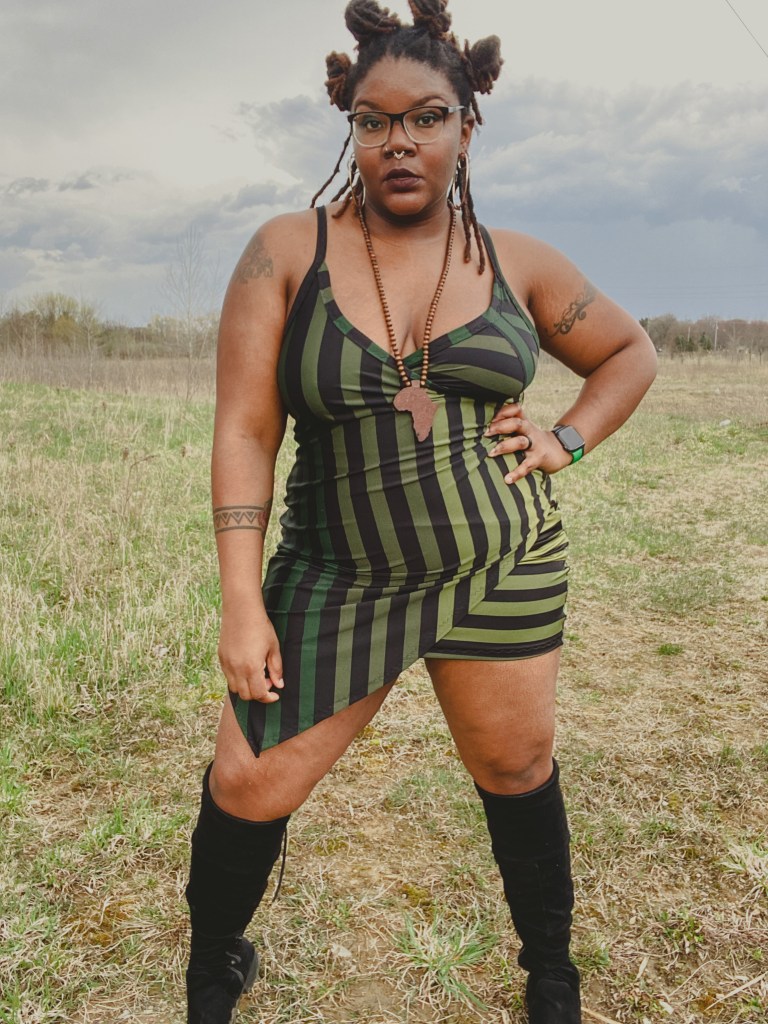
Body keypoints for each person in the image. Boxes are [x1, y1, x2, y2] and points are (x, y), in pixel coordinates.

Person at [184, 2, 657, 1022]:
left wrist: (565, 438)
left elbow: (630, 351)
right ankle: (212, 967)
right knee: (248, 781)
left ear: (466, 128)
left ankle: (551, 973)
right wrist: (241, 602)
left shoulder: (517, 262)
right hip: (337, 573)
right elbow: (246, 431)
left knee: (516, 767)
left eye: (427, 117)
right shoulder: (285, 252)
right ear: (350, 128)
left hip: (501, 568)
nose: (399, 141)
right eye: (374, 120)